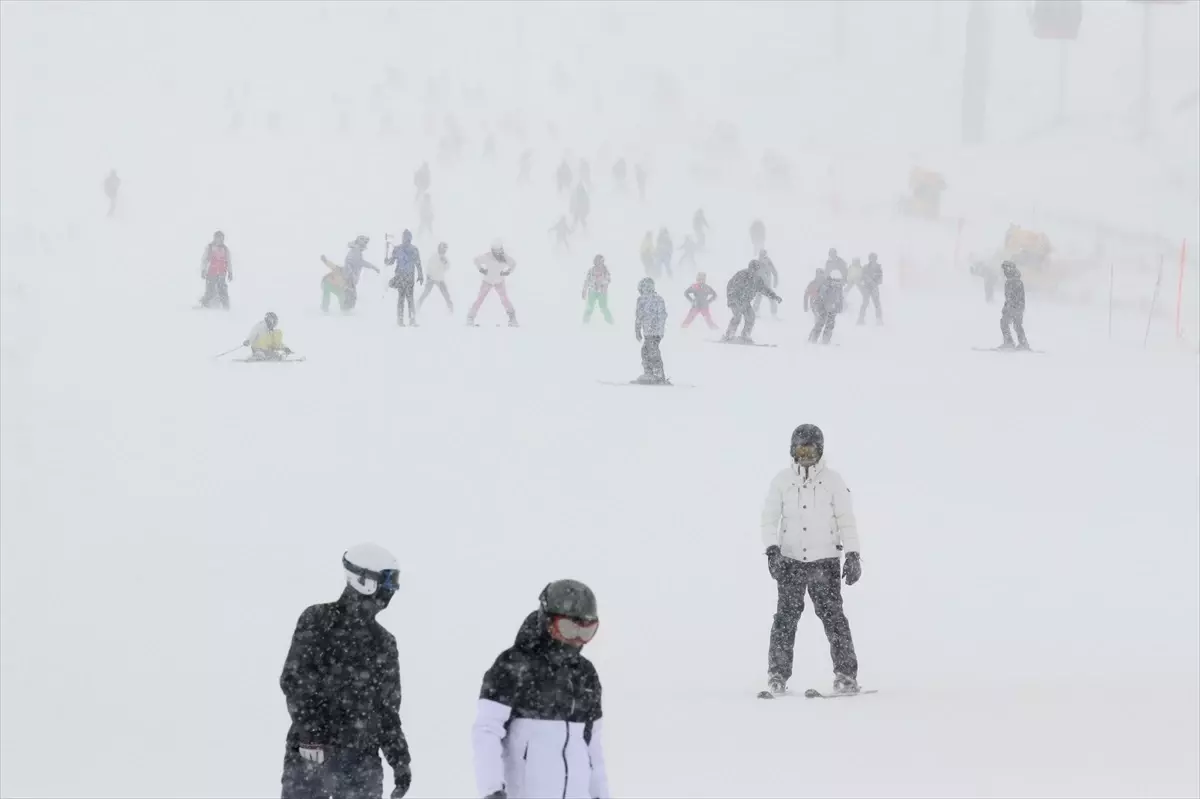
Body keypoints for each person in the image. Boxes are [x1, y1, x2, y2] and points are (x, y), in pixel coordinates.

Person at [280, 543, 412, 799]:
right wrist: (311, 735)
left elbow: (387, 711)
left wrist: (400, 759)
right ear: (365, 580)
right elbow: (295, 680)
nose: (390, 592)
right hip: (312, 759)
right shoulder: (317, 619)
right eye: (387, 583)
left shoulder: (384, 642)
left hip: (362, 766)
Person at [471, 580, 609, 799]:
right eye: (568, 628)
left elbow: (592, 747)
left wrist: (601, 795)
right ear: (547, 621)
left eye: (586, 631)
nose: (576, 640)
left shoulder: (585, 674)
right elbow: (487, 730)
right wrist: (492, 789)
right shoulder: (513, 665)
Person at [760, 424, 861, 697]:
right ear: (792, 451)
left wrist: (853, 553)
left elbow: (846, 520)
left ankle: (846, 675)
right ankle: (777, 675)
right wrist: (772, 552)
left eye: (810, 450)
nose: (805, 456)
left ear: (820, 451)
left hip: (824, 562)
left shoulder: (833, 481)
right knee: (785, 619)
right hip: (790, 562)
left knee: (834, 619)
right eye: (800, 450)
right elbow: (769, 520)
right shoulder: (781, 481)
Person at [724, 260, 782, 344]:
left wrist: (774, 296)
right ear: (749, 268)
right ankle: (729, 334)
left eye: (756, 270)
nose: (754, 272)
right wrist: (734, 298)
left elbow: (764, 289)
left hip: (745, 301)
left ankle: (745, 335)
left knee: (751, 317)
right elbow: (732, 286)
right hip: (734, 299)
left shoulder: (757, 280)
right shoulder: (741, 275)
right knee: (737, 315)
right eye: (752, 270)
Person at [468, 240, 519, 327]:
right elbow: (476, 260)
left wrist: (508, 271)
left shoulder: (505, 258)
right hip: (487, 281)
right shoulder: (487, 256)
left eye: (499, 250)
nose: (498, 253)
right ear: (492, 250)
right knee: (480, 299)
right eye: (496, 251)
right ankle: (470, 318)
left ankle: (512, 319)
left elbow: (513, 263)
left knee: (505, 300)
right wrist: (481, 269)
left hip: (499, 282)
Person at [386, 230, 424, 326]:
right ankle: (401, 319)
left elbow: (418, 263)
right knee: (402, 298)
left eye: (407, 237)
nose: (406, 239)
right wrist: (386, 260)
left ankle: (410, 319)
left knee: (408, 299)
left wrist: (420, 275)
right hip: (401, 276)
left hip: (409, 277)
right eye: (405, 237)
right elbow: (390, 262)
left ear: (410, 238)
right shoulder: (398, 249)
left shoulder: (413, 249)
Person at [634, 277, 668, 384]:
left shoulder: (653, 299)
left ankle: (658, 375)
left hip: (653, 330)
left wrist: (659, 327)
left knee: (652, 351)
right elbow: (639, 316)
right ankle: (649, 373)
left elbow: (662, 315)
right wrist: (638, 330)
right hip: (650, 331)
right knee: (646, 350)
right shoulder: (644, 300)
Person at [343, 235, 381, 311]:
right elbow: (361, 262)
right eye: (365, 243)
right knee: (351, 294)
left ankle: (346, 308)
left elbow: (355, 262)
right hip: (350, 277)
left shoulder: (354, 250)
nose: (364, 247)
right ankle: (346, 310)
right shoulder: (356, 251)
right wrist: (374, 267)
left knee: (351, 293)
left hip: (350, 277)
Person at [199, 231, 233, 310]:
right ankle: (205, 305)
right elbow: (204, 260)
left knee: (223, 291)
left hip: (221, 274)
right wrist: (203, 270)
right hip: (211, 273)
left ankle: (226, 308)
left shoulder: (225, 249)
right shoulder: (210, 248)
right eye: (218, 238)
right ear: (215, 238)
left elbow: (228, 261)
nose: (220, 240)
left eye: (222, 238)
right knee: (210, 291)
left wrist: (230, 272)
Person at [999, 260, 1029, 349]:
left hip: (1014, 307)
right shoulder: (1013, 280)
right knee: (1017, 325)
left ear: (1010, 269)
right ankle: (1022, 343)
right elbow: (1009, 297)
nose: (1004, 272)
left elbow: (1013, 297)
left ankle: (1010, 343)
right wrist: (1006, 306)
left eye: (1005, 269)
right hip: (1016, 307)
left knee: (1005, 323)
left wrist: (1009, 307)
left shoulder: (1013, 281)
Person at [418, 242, 453, 314]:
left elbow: (447, 267)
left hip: (440, 279)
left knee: (446, 294)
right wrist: (428, 276)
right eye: (443, 248)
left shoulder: (445, 258)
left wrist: (445, 263)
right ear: (440, 248)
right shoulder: (434, 256)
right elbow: (428, 267)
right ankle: (417, 307)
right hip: (431, 278)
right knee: (425, 293)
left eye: (445, 249)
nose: (444, 250)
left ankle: (451, 309)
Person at [809, 273, 844, 344]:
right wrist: (826, 307)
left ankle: (826, 340)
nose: (837, 283)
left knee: (830, 323)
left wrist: (840, 307)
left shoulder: (839, 287)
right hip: (822, 306)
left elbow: (840, 298)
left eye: (838, 281)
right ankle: (812, 339)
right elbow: (822, 298)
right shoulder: (825, 286)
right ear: (832, 280)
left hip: (832, 307)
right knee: (821, 322)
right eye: (836, 281)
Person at [582, 254, 613, 324]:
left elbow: (608, 280)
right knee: (589, 308)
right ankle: (585, 323)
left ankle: (611, 322)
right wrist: (584, 290)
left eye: (601, 262)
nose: (600, 264)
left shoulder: (605, 271)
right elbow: (587, 281)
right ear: (595, 262)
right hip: (592, 292)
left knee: (604, 308)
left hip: (602, 292)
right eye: (598, 262)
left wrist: (602, 284)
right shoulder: (591, 270)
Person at [752, 249, 780, 319]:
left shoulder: (768, 261)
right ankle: (756, 312)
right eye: (761, 255)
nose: (762, 256)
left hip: (766, 285)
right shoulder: (757, 262)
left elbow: (774, 272)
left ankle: (774, 314)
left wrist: (775, 282)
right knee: (759, 298)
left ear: (765, 255)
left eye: (763, 255)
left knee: (770, 298)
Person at [858, 253, 883, 325]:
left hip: (874, 288)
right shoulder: (865, 267)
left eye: (874, 258)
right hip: (866, 288)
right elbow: (861, 278)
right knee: (865, 303)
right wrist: (865, 280)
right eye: (871, 258)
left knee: (877, 304)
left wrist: (874, 282)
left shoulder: (878, 268)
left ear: (876, 258)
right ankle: (861, 319)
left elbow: (881, 280)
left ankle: (879, 320)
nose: (873, 259)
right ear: (869, 258)